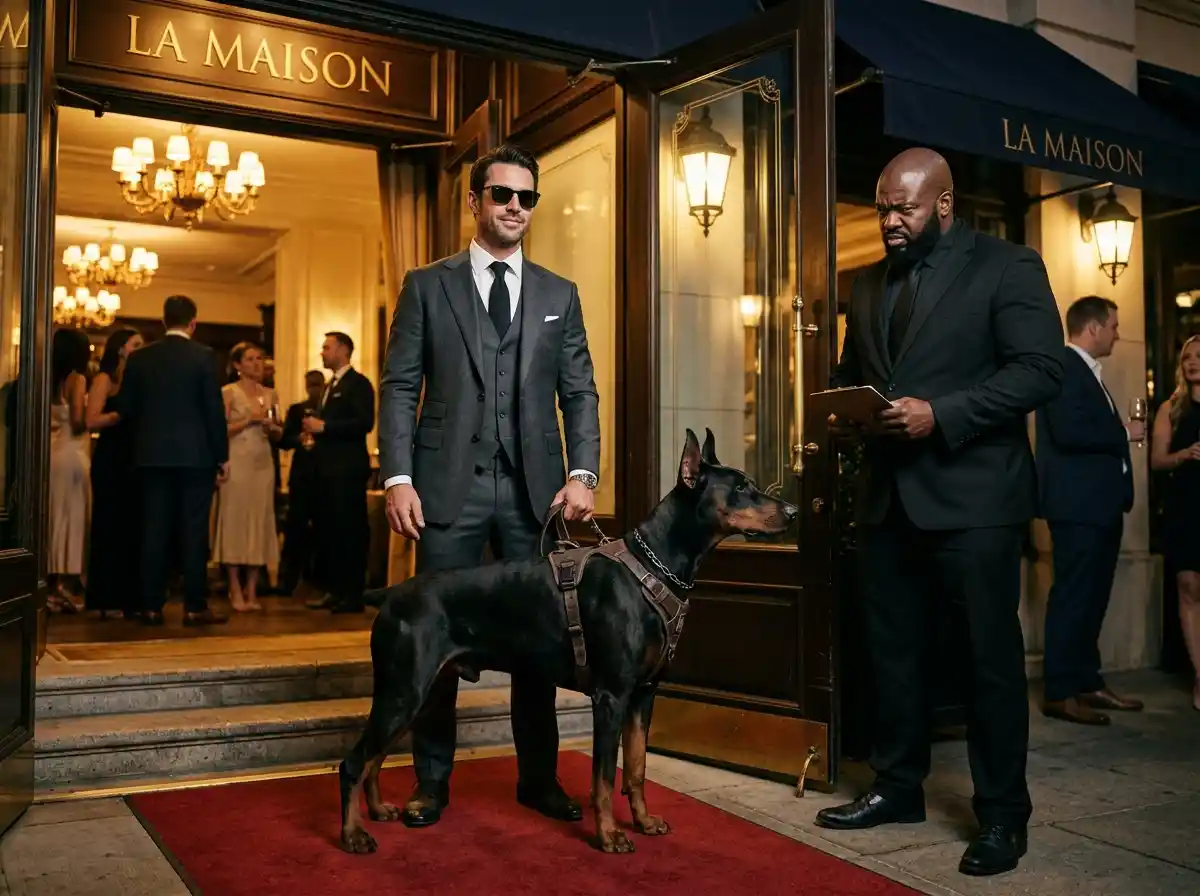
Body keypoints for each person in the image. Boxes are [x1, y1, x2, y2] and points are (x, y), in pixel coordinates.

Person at [816, 148, 1063, 877]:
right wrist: (840, 410)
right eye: (883, 207)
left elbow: (1041, 369)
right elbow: (851, 376)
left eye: (905, 208)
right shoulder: (864, 284)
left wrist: (943, 414)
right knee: (892, 656)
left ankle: (1002, 817)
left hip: (975, 501)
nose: (890, 220)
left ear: (944, 204)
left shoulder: (1006, 266)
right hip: (889, 501)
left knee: (988, 664)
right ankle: (897, 788)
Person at [379, 142, 601, 828]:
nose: (514, 207)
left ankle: (537, 779)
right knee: (435, 643)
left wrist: (583, 473)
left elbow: (580, 392)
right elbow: (399, 387)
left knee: (540, 644)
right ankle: (432, 784)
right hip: (446, 492)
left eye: (526, 198)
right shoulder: (426, 284)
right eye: (502, 195)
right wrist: (398, 476)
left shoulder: (559, 294)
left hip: (535, 499)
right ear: (474, 201)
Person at [1036, 296, 1144, 725]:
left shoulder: (1087, 372)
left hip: (1100, 505)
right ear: (1094, 327)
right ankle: (1061, 691)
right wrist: (1123, 431)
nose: (1118, 334)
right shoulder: (1064, 365)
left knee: (1094, 597)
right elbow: (1067, 430)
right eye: (1114, 326)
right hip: (1078, 506)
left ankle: (1088, 682)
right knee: (1073, 597)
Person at [117, 295, 229, 627]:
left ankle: (151, 605)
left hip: (151, 456)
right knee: (193, 531)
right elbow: (213, 411)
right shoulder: (204, 357)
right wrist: (222, 455)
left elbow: (127, 409)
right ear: (192, 323)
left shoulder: (140, 358)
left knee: (154, 529)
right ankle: (194, 606)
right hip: (195, 457)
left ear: (164, 321)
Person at [302, 332, 375, 614]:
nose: (321, 353)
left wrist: (326, 427)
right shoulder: (329, 386)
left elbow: (364, 423)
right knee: (329, 531)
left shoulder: (359, 384)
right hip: (326, 471)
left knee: (349, 532)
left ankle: (352, 594)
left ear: (343, 350)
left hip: (347, 471)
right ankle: (334, 589)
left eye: (326, 347)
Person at [211, 342, 283, 611]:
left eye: (259, 359)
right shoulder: (228, 392)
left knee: (259, 522)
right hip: (237, 461)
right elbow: (219, 429)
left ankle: (252, 589)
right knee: (235, 522)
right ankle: (233, 587)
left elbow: (278, 432)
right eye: (250, 359)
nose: (257, 364)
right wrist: (250, 419)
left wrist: (273, 428)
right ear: (238, 365)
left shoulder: (271, 394)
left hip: (262, 462)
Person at [1150, 334, 1200, 711]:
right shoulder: (1171, 408)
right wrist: (1183, 453)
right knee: (1188, 585)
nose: (1193, 362)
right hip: (1185, 505)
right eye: (1187, 357)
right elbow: (1156, 461)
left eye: (1199, 356)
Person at [85, 327, 144, 619]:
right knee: (109, 525)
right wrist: (119, 415)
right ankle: (104, 598)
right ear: (121, 348)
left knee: (131, 528)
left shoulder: (138, 380)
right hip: (110, 458)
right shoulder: (105, 379)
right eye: (136, 344)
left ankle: (127, 597)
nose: (141, 349)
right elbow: (90, 420)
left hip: (134, 457)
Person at [47, 328, 92, 613]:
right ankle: (63, 583)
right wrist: (103, 416)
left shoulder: (48, 378)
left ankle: (51, 586)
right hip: (73, 452)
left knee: (54, 518)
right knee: (73, 518)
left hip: (52, 453)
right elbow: (77, 420)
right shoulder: (77, 379)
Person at [277, 369, 326, 596]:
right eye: (311, 384)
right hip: (301, 476)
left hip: (326, 476)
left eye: (318, 384)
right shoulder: (297, 410)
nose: (314, 388)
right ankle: (287, 581)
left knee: (324, 530)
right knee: (294, 529)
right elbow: (284, 441)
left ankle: (319, 579)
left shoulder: (329, 410)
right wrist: (298, 437)